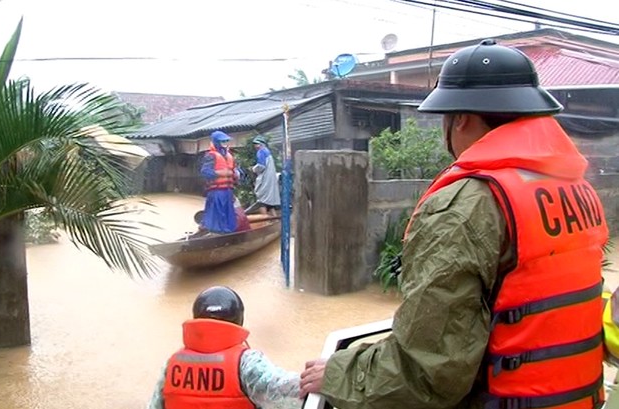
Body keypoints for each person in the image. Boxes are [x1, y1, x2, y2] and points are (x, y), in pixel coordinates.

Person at [300, 39, 609, 409]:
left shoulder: (465, 205)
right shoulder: (576, 188)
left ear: (460, 118)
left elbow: (428, 374)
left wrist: (339, 373)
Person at [147, 286, 301, 409]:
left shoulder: (173, 363)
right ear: (239, 319)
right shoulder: (247, 362)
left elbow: (154, 405)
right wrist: (322, 377)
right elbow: (284, 392)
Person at [200, 130, 238, 234]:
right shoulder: (211, 155)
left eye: (226, 141)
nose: (225, 143)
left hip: (228, 190)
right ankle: (214, 232)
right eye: (222, 141)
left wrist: (236, 173)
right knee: (216, 214)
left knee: (228, 214)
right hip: (216, 191)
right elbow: (205, 172)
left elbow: (235, 171)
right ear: (216, 142)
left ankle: (228, 232)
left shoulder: (229, 156)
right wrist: (219, 173)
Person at [247, 135, 281, 216]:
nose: (255, 146)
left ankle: (265, 220)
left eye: (257, 144)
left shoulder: (261, 152)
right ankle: (275, 220)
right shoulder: (267, 152)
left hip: (265, 179)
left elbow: (261, 167)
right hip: (270, 179)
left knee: (261, 201)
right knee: (269, 202)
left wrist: (253, 169)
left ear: (262, 144)